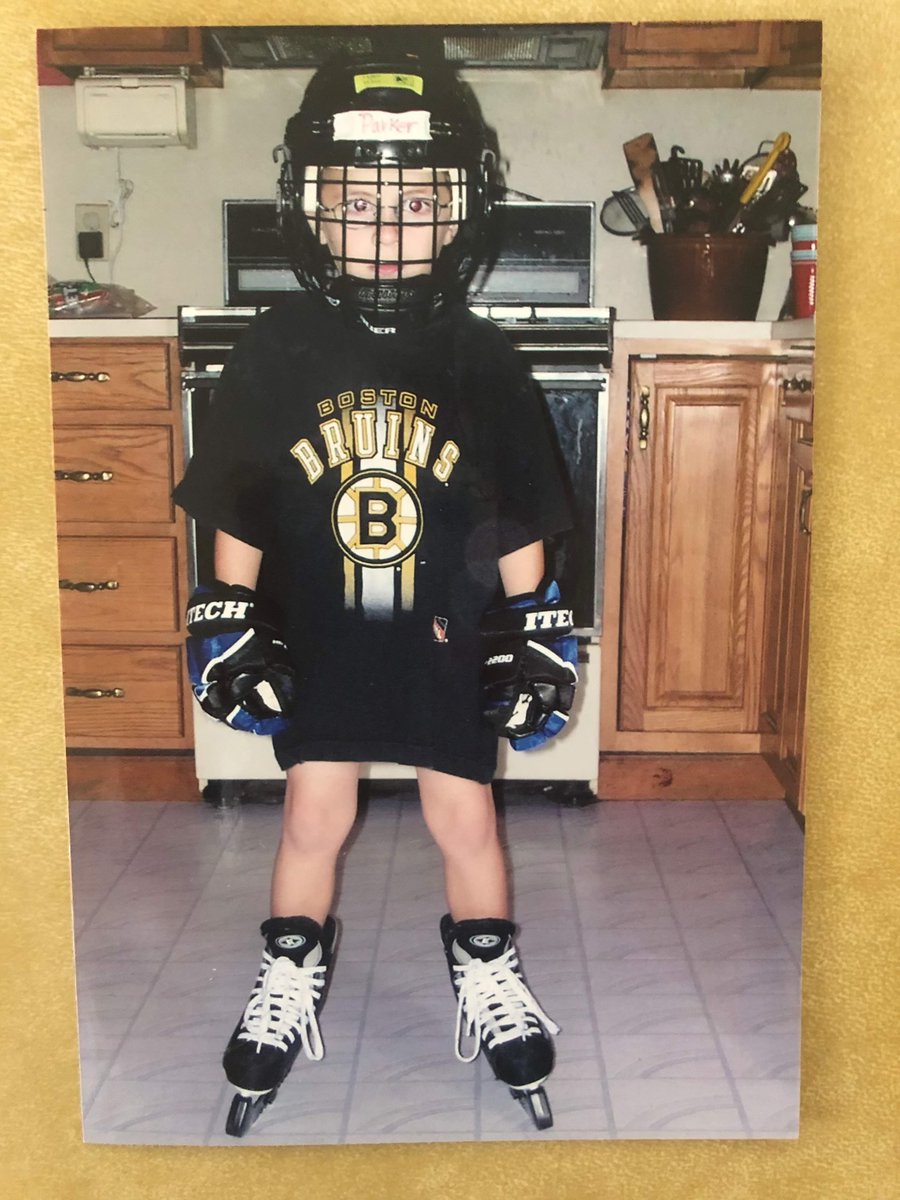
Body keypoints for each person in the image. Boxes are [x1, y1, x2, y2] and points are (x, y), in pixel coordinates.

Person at [173, 49, 578, 1137]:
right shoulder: (272, 351)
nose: (384, 226)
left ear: (461, 212)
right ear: (309, 206)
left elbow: (519, 512)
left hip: (449, 630)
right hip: (323, 629)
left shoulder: (485, 359)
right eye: (356, 201)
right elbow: (243, 505)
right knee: (314, 807)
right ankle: (289, 972)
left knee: (465, 811)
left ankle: (488, 974)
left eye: (415, 200)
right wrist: (227, 614)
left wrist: (537, 625)